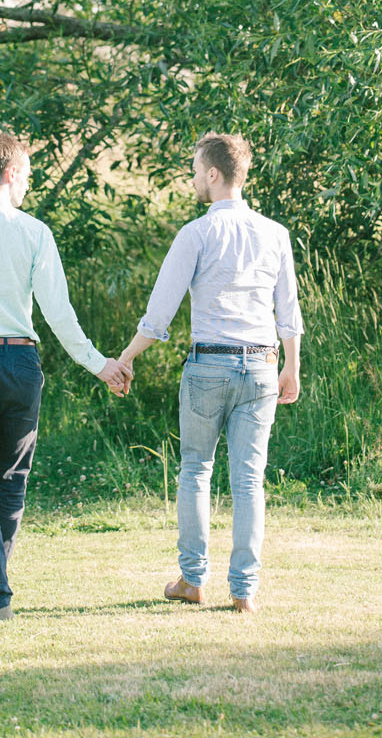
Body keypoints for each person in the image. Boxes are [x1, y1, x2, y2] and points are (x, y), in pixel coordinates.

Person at [0, 131, 130, 621]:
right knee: (11, 478)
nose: (28, 187)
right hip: (19, 361)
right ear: (11, 173)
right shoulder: (34, 231)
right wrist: (98, 365)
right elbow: (59, 313)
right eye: (28, 176)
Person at [117, 132, 303, 614]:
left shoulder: (196, 234)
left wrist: (127, 357)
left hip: (208, 367)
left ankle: (193, 579)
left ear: (215, 174)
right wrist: (292, 367)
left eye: (197, 170)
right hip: (263, 365)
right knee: (248, 480)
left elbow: (160, 314)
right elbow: (289, 311)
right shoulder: (275, 234)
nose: (195, 178)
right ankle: (244, 590)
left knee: (196, 471)